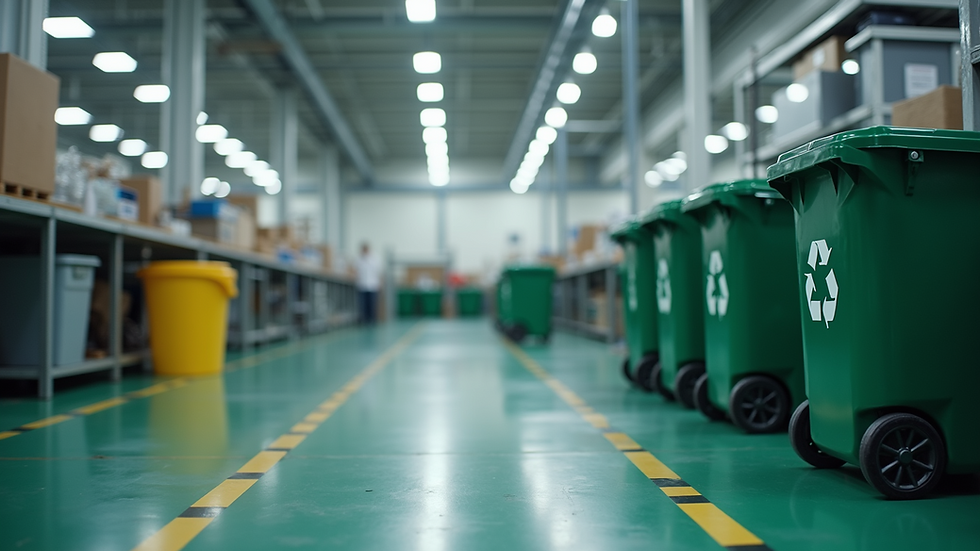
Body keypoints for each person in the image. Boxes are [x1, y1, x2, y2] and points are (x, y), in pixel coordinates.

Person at [355, 243, 382, 324]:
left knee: (372, 303)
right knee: (363, 304)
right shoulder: (358, 259)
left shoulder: (375, 258)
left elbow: (379, 272)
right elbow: (354, 269)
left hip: (373, 285)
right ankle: (364, 320)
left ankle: (372, 320)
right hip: (362, 285)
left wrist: (381, 283)